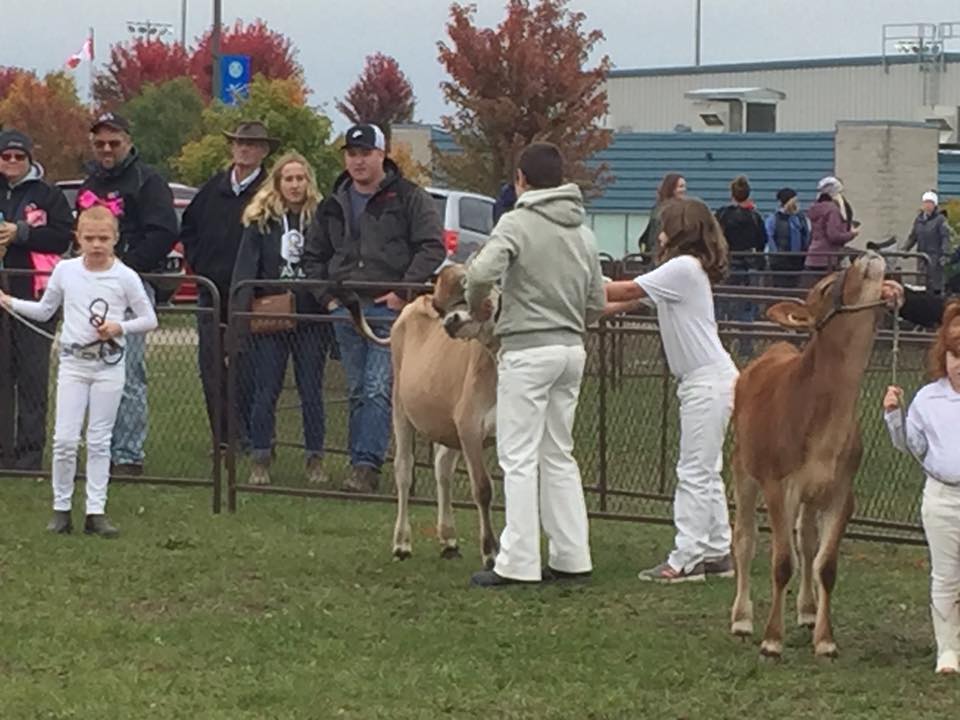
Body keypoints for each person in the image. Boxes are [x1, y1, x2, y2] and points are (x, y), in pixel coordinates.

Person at [463, 142, 605, 587]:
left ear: (520, 180)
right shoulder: (583, 233)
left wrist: (477, 304)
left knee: (518, 456)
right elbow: (597, 302)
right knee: (557, 453)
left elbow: (481, 272)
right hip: (571, 349)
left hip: (527, 350)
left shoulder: (516, 223)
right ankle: (571, 555)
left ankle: (517, 561)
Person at [303, 123, 444, 493]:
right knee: (356, 389)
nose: (358, 160)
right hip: (345, 308)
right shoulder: (332, 204)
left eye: (366, 153)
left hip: (389, 309)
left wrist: (403, 292)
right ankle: (361, 461)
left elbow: (432, 246)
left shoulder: (409, 198)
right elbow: (313, 256)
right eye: (352, 153)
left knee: (378, 387)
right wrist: (328, 298)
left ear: (383, 155)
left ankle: (366, 467)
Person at [0, 206, 157, 536]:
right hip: (73, 364)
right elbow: (45, 310)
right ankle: (61, 508)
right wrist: (10, 302)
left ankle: (96, 511)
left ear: (115, 238)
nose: (97, 245)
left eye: (103, 238)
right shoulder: (65, 271)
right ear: (78, 239)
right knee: (65, 440)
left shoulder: (125, 276)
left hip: (107, 365)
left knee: (99, 441)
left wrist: (119, 327)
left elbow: (148, 319)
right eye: (89, 238)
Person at [604, 197, 737, 583]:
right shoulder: (681, 272)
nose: (657, 234)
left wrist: (574, 282)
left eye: (664, 226)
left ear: (679, 232)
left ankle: (687, 558)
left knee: (693, 471)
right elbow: (620, 305)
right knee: (706, 470)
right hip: (707, 379)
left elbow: (625, 291)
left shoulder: (681, 268)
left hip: (706, 380)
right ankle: (716, 552)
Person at [79, 112, 178, 477]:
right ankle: (99, 449)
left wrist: (125, 267)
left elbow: (165, 231)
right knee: (91, 368)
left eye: (114, 142)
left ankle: (128, 454)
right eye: (100, 143)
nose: (107, 149)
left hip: (131, 285)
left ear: (128, 141)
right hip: (90, 287)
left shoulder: (147, 181)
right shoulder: (90, 183)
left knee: (128, 371)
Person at [232, 152, 331, 486]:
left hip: (311, 316)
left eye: (300, 178)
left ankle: (315, 459)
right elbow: (245, 271)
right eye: (288, 179)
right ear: (277, 183)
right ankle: (260, 457)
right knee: (267, 389)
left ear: (309, 182)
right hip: (271, 317)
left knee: (311, 390)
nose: (294, 185)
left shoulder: (321, 219)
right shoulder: (261, 221)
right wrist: (241, 320)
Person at [180, 121, 273, 452]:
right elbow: (188, 228)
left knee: (247, 366)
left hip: (250, 295)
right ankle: (222, 437)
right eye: (238, 143)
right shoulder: (212, 189)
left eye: (251, 144)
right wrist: (199, 262)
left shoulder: (268, 193)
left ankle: (248, 435)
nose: (244, 149)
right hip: (211, 291)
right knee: (211, 366)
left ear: (263, 151)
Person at [883, 301, 960, 674]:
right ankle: (948, 650)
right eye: (953, 355)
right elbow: (911, 446)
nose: (959, 364)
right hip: (942, 498)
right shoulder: (929, 399)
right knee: (945, 575)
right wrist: (894, 415)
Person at [0, 129, 73, 473]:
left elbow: (61, 238)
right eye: (6, 156)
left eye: (19, 156)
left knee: (32, 375)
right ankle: (3, 452)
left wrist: (21, 233)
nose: (12, 162)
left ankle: (29, 456)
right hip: (0, 294)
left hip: (35, 296)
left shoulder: (49, 195)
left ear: (30, 158)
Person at [714, 176, 766, 356]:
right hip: (747, 263)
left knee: (721, 304)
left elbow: (715, 237)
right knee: (745, 306)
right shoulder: (755, 217)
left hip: (727, 263)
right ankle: (746, 346)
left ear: (732, 194)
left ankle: (720, 344)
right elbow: (762, 241)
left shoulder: (722, 215)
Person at [804, 175, 858, 285]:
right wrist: (852, 234)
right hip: (828, 258)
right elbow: (833, 236)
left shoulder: (814, 208)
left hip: (813, 256)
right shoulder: (832, 210)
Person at [905, 191, 953, 295]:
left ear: (934, 204)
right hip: (922, 256)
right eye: (926, 202)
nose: (927, 205)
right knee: (922, 284)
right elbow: (913, 236)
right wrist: (905, 249)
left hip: (935, 257)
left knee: (935, 285)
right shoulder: (919, 220)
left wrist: (945, 254)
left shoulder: (940, 220)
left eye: (930, 202)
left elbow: (945, 237)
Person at [764, 187, 811, 289]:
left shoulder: (800, 218)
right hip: (780, 264)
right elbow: (770, 239)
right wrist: (776, 256)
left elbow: (806, 236)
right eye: (795, 201)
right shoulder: (773, 219)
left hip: (798, 262)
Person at [637, 173, 686, 256]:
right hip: (665, 256)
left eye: (684, 186)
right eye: (680, 186)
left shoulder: (658, 208)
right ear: (672, 188)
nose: (684, 189)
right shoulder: (666, 210)